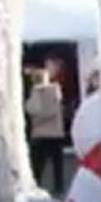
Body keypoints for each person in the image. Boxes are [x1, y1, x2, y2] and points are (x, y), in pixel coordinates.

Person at [26, 64, 67, 194]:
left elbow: (37, 111)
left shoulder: (52, 90)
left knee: (42, 163)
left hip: (43, 133)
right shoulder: (38, 91)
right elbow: (32, 109)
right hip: (52, 133)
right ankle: (53, 187)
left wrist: (38, 121)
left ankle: (42, 186)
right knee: (48, 163)